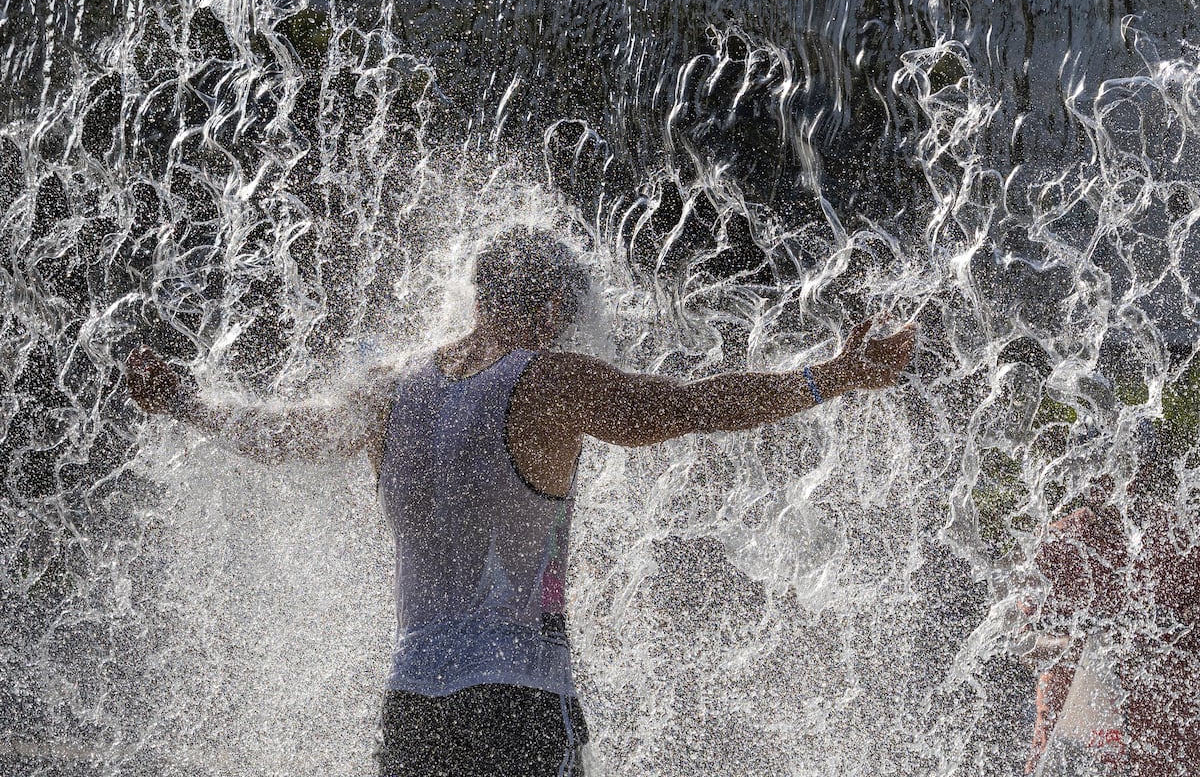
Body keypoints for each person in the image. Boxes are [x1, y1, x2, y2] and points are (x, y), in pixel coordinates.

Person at [126, 227, 918, 777]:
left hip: (413, 707)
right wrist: (830, 377)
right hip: (518, 703)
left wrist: (187, 404)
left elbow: (287, 437)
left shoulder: (390, 391)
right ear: (549, 310)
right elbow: (691, 406)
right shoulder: (549, 379)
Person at [1023, 433, 1200, 777]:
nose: (1104, 478)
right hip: (1072, 739)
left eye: (1117, 465)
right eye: (1094, 466)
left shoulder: (1180, 539)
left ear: (1141, 469)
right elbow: (1025, 644)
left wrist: (1157, 641)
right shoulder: (1057, 543)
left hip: (1168, 745)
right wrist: (1079, 647)